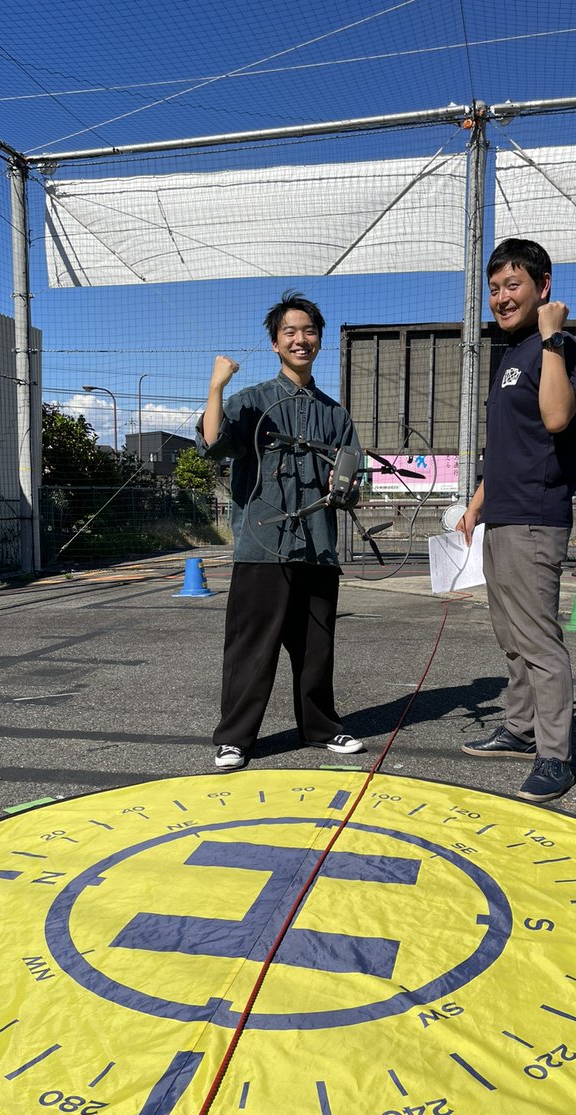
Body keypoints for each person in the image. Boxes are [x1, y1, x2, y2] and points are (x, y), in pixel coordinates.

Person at [197, 291, 365, 772]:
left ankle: (322, 727)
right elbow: (211, 442)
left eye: (308, 331)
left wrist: (346, 485)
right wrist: (216, 388)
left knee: (316, 646)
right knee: (251, 648)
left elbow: (354, 478)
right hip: (260, 546)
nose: (300, 339)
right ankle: (234, 738)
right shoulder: (250, 402)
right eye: (290, 332)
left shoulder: (335, 415)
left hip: (317, 547)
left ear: (319, 340)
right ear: (274, 343)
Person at [457, 238, 576, 803]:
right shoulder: (510, 355)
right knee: (511, 637)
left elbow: (557, 418)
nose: (501, 298)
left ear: (543, 286)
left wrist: (554, 337)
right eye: (495, 288)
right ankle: (518, 728)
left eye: (513, 285)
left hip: (536, 516)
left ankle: (555, 756)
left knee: (539, 642)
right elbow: (511, 445)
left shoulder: (557, 349)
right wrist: (478, 502)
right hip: (503, 515)